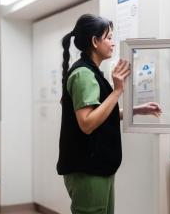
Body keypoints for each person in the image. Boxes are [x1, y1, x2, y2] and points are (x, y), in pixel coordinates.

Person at [57, 14, 162, 214]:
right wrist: (117, 90)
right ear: (95, 42)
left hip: (98, 167)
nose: (113, 43)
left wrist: (137, 110)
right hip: (87, 170)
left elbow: (100, 114)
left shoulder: (92, 72)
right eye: (109, 38)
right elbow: (87, 123)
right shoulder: (84, 75)